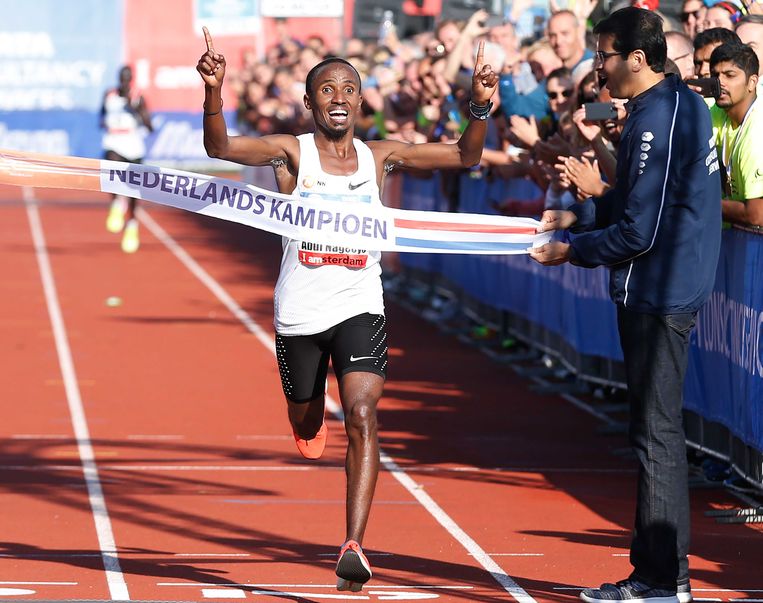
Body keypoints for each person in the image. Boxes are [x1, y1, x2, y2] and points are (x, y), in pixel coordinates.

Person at [195, 27, 497, 592]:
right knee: (307, 420)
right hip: (300, 313)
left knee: (362, 415)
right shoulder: (292, 153)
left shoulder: (379, 157)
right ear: (310, 103)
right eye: (327, 90)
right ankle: (304, 417)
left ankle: (354, 543)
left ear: (361, 100)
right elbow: (220, 149)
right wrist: (214, 91)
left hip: (361, 304)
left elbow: (464, 154)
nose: (338, 97)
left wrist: (479, 103)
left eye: (348, 89)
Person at [529, 7, 721, 602]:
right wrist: (580, 215)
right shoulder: (673, 106)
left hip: (659, 290)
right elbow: (639, 205)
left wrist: (572, 250)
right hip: (664, 283)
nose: (597, 68)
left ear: (637, 58)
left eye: (604, 56)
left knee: (656, 435)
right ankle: (660, 572)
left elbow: (639, 232)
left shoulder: (656, 119)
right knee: (652, 431)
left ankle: (663, 577)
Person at [709, 42, 762, 226]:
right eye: (715, 75)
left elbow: (756, 214)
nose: (720, 82)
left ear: (752, 82)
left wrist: (698, 203)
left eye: (730, 75)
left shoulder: (757, 135)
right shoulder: (718, 110)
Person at [102, 65, 153, 253]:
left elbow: (150, 126)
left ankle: (131, 225)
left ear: (131, 79)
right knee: (111, 168)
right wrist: (105, 121)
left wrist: (136, 110)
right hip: (114, 140)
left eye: (127, 78)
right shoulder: (109, 95)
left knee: (133, 191)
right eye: (122, 78)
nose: (124, 81)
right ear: (118, 78)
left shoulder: (138, 97)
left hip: (133, 145)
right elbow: (101, 115)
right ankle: (116, 203)